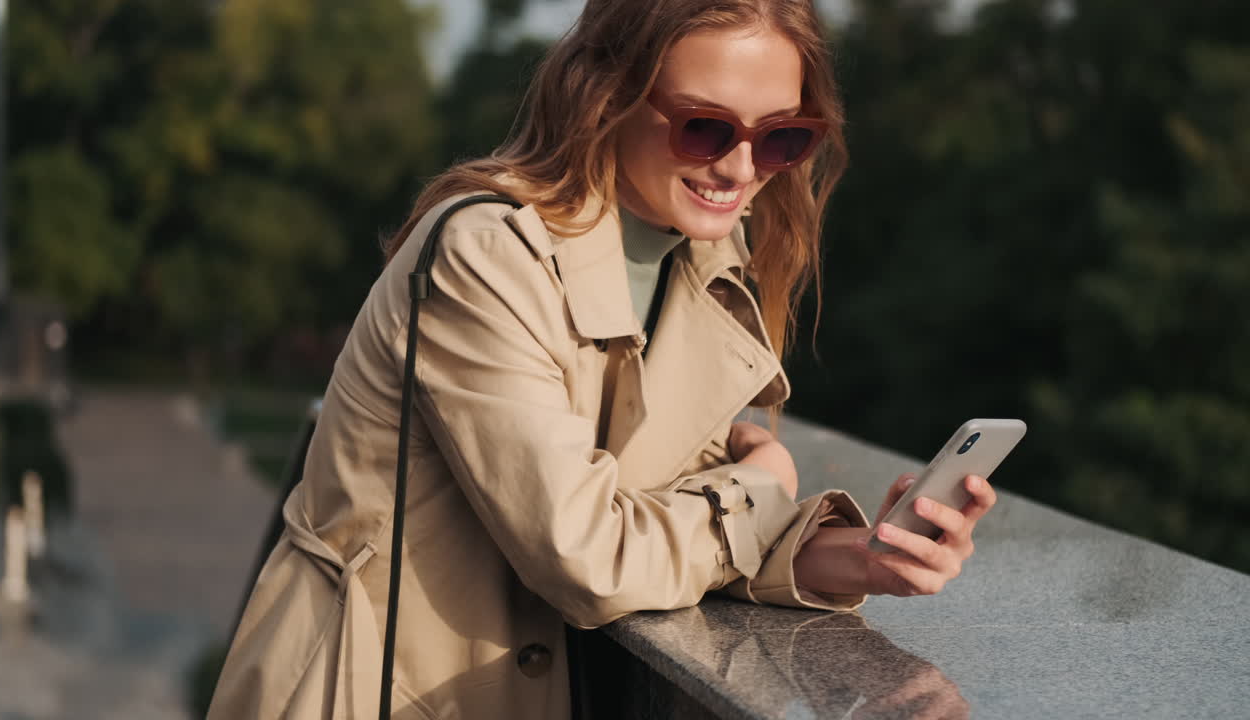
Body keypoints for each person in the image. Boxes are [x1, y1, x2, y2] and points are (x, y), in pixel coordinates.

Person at [208, 1, 997, 718]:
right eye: (705, 128)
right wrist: (763, 485)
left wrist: (856, 558)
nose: (740, 168)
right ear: (606, 95)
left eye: (781, 137)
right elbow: (586, 554)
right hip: (362, 693)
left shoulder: (703, 264)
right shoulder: (486, 254)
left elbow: (666, 518)